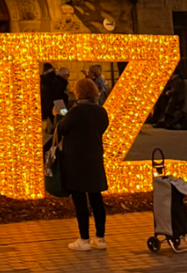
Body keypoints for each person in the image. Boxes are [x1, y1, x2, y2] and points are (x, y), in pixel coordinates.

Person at [54, 79, 110, 251]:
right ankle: (100, 238)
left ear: (78, 92)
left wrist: (58, 114)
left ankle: (83, 239)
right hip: (94, 159)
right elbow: (102, 128)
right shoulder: (101, 111)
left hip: (76, 160)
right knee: (96, 198)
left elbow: (61, 129)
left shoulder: (75, 112)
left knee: (80, 201)